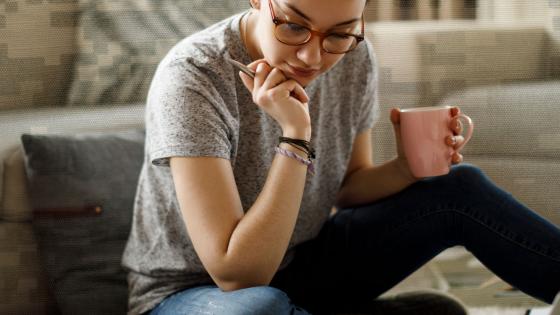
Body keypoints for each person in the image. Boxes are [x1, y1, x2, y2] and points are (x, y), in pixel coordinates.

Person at [121, 0, 560, 314]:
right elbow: (236, 274)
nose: (314, 56)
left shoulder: (354, 57)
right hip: (191, 293)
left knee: (456, 189)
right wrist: (295, 137)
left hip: (302, 264)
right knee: (261, 307)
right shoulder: (195, 76)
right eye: (293, 26)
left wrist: (406, 169)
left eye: (340, 33)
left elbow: (349, 188)